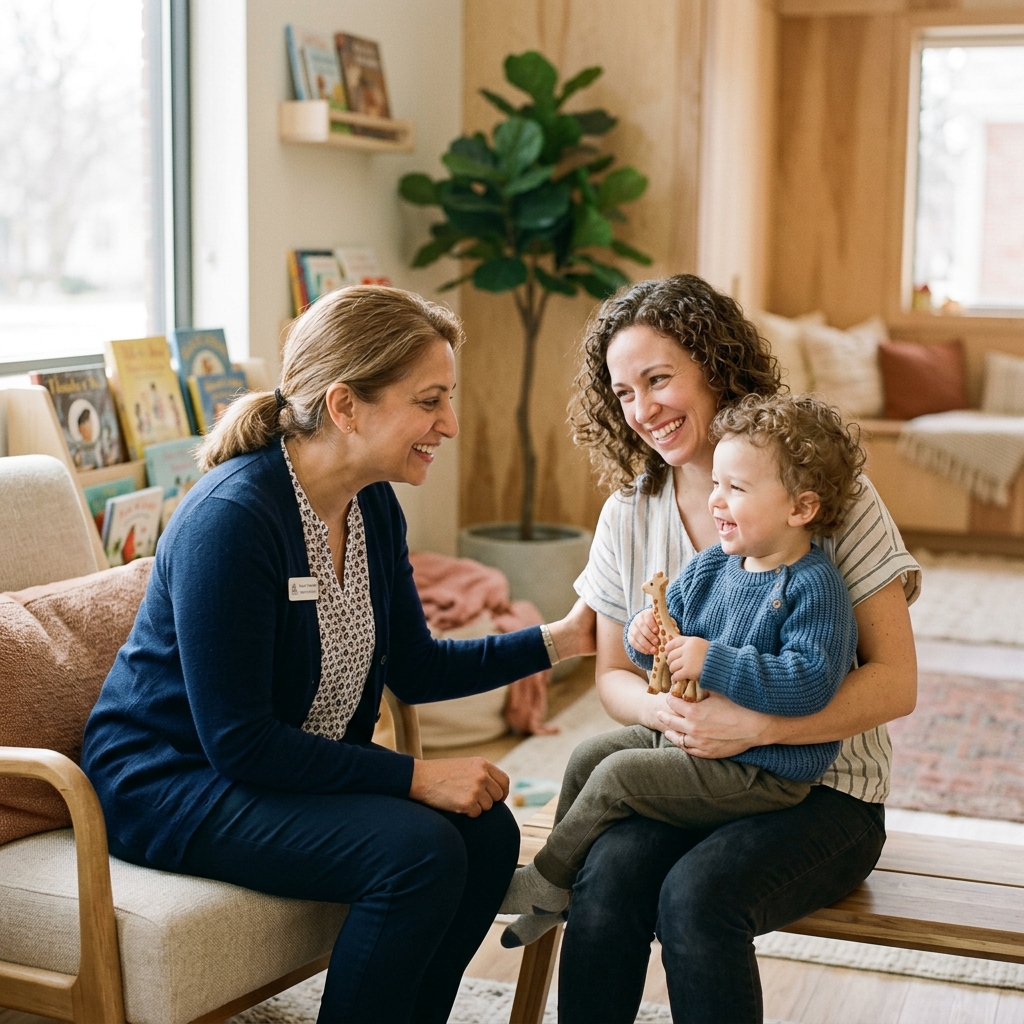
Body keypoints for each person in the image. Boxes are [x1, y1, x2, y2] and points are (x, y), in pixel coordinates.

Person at [80, 286, 595, 1024]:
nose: (448, 424)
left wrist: (563, 639)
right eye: (429, 401)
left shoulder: (371, 503)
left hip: (266, 765)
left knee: (487, 833)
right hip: (169, 780)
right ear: (346, 405)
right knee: (417, 852)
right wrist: (415, 777)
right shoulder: (232, 521)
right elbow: (240, 742)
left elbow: (414, 666)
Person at [556, 275, 920, 1024]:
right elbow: (614, 676)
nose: (643, 409)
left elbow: (895, 684)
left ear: (715, 366)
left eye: (659, 379)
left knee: (695, 900)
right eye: (624, 393)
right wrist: (672, 714)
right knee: (609, 875)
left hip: (823, 793)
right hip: (685, 772)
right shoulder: (630, 510)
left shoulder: (821, 494)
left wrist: (757, 727)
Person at [499, 393, 862, 945]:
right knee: (588, 755)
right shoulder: (714, 563)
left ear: (801, 508)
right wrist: (644, 636)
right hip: (691, 743)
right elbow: (668, 641)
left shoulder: (814, 587)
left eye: (736, 489)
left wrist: (711, 660)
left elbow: (811, 682)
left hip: (762, 772)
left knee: (618, 778)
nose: (715, 501)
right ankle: (562, 889)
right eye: (716, 483)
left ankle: (543, 880)